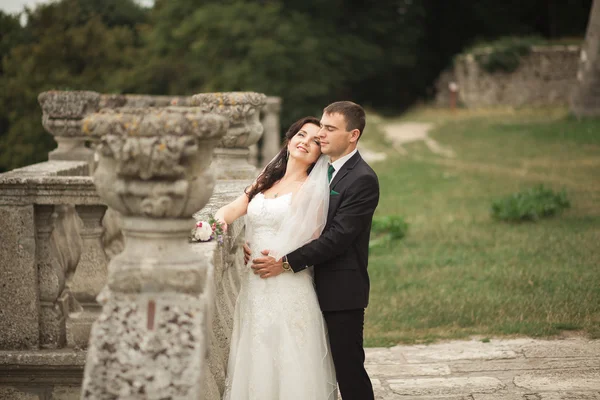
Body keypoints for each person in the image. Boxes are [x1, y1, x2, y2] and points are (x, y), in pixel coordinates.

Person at [249, 101, 379, 400]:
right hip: (302, 287)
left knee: (348, 369)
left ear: (353, 135)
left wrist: (284, 263)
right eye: (322, 125)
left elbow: (338, 238)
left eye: (330, 129)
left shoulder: (362, 179)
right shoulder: (320, 170)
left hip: (340, 290)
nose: (321, 134)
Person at [215, 116, 337, 400]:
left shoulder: (313, 189)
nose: (306, 142)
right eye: (302, 135)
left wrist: (281, 261)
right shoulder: (266, 179)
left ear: (320, 152)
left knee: (288, 358)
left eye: (315, 141)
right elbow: (230, 211)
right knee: (257, 353)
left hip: (287, 284)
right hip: (254, 287)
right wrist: (224, 230)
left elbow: (315, 241)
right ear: (290, 137)